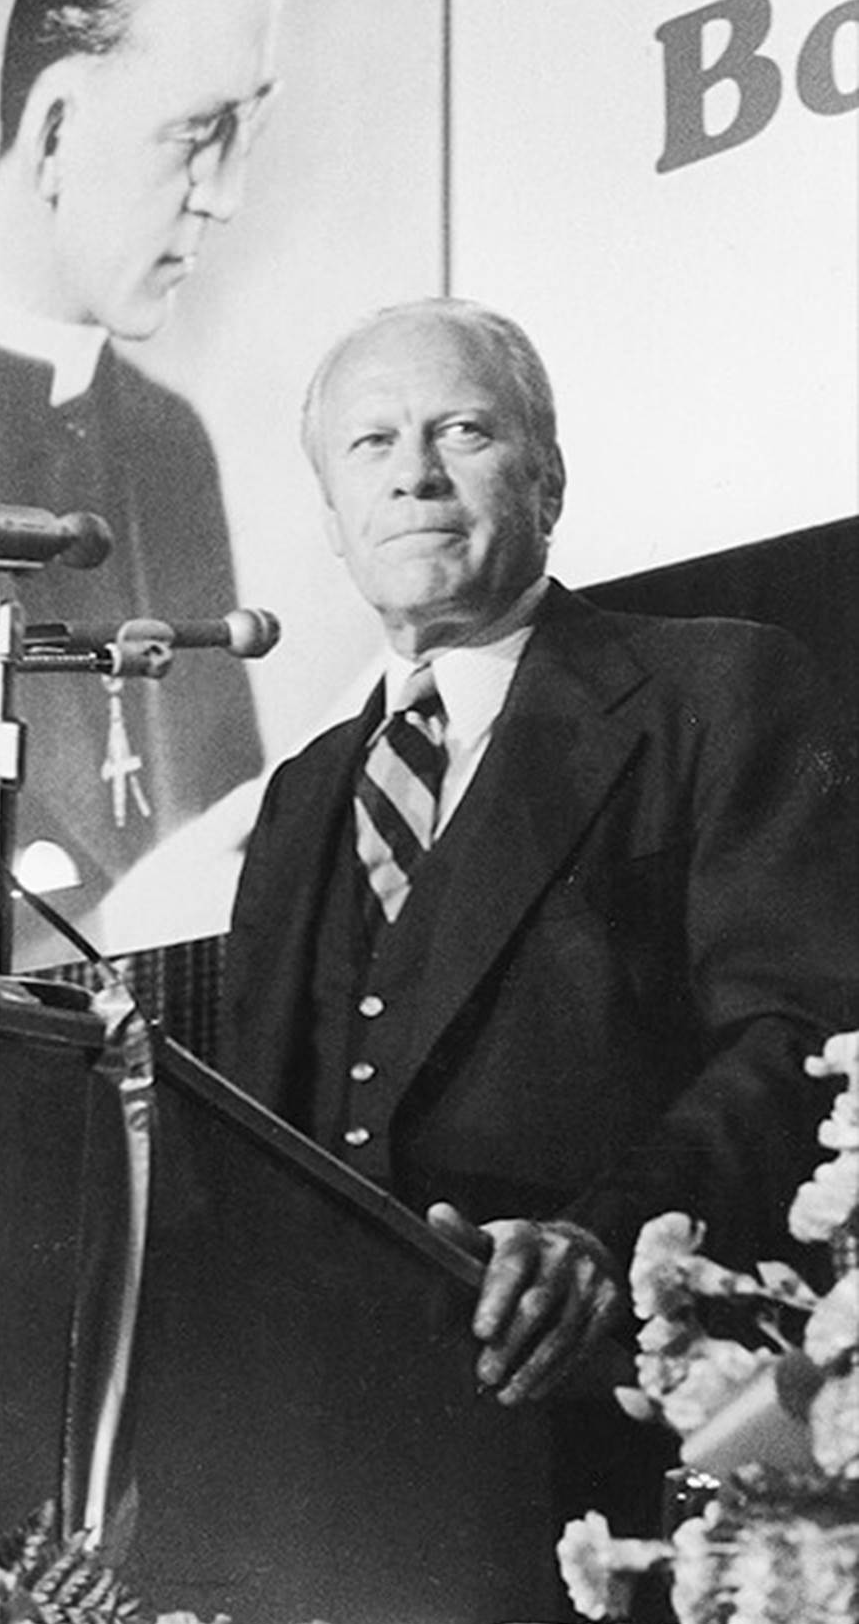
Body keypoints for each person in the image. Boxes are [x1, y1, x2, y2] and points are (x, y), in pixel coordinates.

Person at [221, 298, 859, 1538]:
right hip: (334, 1458)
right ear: (332, 519)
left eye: (461, 429)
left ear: (549, 474)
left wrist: (606, 1243)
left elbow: (803, 1033)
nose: (413, 474)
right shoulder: (299, 796)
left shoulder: (718, 687)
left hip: (636, 1443)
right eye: (370, 445)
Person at [0, 0, 280, 903]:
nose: (225, 197)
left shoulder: (171, 442)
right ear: (55, 131)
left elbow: (227, 822)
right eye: (198, 132)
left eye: (249, 131)